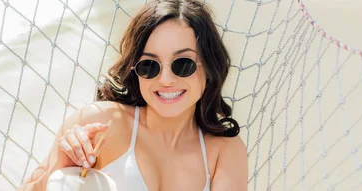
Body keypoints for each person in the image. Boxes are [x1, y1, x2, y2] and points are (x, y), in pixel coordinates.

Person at [18, 0, 247, 190]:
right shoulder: (99, 123)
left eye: (183, 64)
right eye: (149, 65)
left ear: (209, 65)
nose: (166, 79)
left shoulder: (224, 150)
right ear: (135, 71)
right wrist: (60, 170)